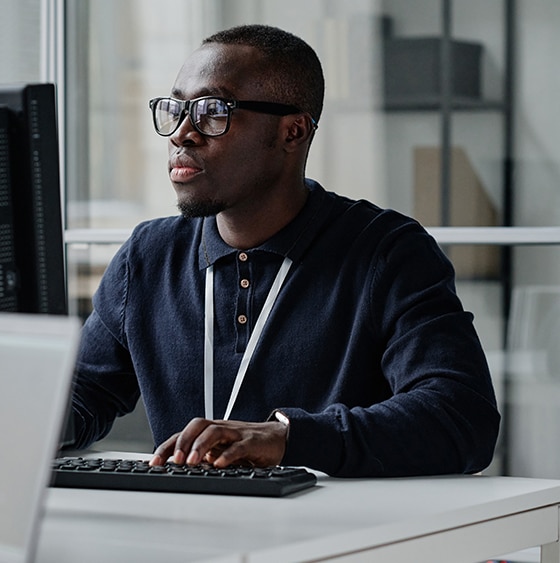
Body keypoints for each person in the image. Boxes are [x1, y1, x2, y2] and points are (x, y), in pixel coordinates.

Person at [66, 24, 500, 478]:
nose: (182, 133)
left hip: (337, 539)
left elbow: (461, 416)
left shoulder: (386, 252)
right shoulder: (148, 256)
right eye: (176, 108)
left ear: (293, 132)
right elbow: (81, 397)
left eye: (213, 111)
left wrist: (290, 439)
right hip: (189, 532)